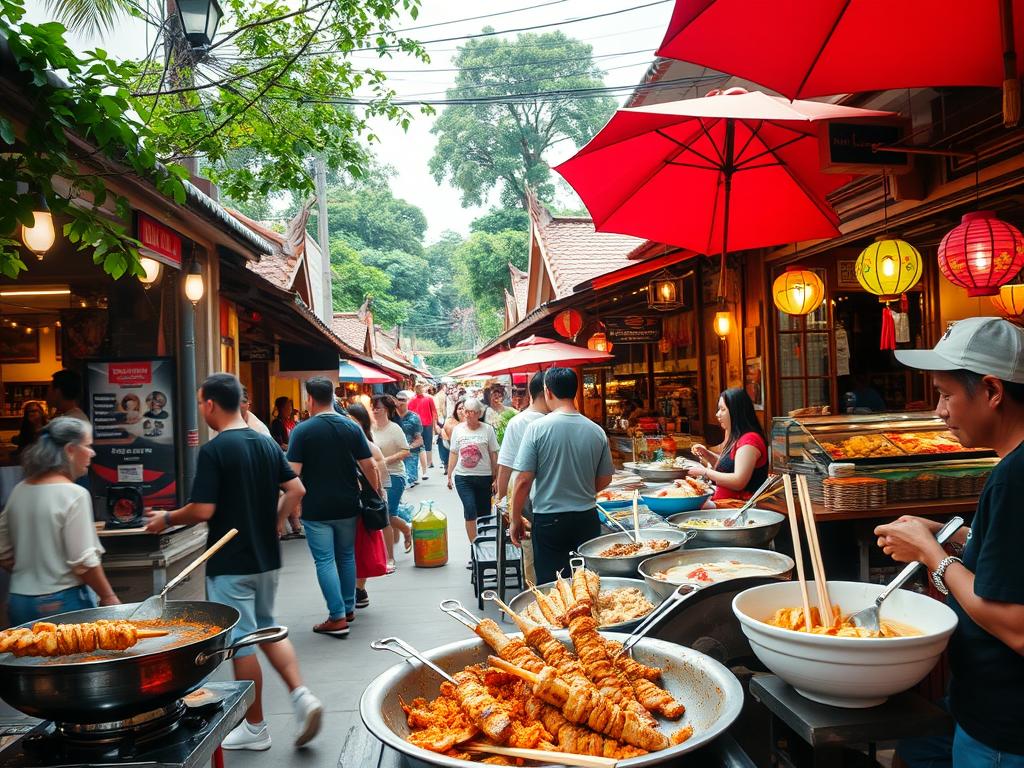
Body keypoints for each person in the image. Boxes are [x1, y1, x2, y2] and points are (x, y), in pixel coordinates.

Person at [873, 317, 1024, 768]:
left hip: (1003, 725)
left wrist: (931, 554)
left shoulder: (1014, 477)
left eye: (946, 395)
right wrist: (953, 535)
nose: (939, 411)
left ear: (993, 392)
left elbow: (1017, 626)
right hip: (976, 704)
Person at [143, 373, 321, 751]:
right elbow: (296, 490)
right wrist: (275, 521)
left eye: (200, 403)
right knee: (268, 628)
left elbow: (204, 509)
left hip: (230, 561)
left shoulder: (215, 450)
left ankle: (255, 727)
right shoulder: (266, 444)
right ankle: (302, 695)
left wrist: (166, 519)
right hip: (266, 558)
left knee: (243, 642)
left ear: (210, 404)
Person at [0, 418, 119, 625]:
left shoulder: (19, 491)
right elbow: (84, 562)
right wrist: (109, 597)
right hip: (62, 601)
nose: (92, 453)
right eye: (88, 446)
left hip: (19, 600)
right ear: (70, 450)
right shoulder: (74, 494)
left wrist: (33, 574)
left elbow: (3, 552)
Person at [287, 377, 379, 638]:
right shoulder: (351, 427)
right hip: (348, 503)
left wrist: (289, 506)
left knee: (325, 560)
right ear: (332, 397)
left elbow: (292, 472)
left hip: (316, 506)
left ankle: (337, 616)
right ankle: (348, 608)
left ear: (310, 399)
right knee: (346, 555)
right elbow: (369, 465)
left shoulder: (302, 431)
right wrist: (374, 493)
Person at [510, 368, 613, 583]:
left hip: (549, 522)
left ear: (547, 392)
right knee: (586, 583)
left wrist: (515, 518)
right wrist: (580, 488)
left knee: (553, 586)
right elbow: (605, 479)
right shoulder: (596, 431)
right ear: (575, 391)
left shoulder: (537, 428)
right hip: (587, 519)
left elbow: (523, 481)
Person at [495, 372, 550, 584]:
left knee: (531, 555)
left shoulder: (518, 422)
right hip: (533, 499)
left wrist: (502, 501)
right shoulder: (524, 422)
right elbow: (506, 465)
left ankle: (535, 596)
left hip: (524, 498)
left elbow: (506, 466)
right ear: (548, 393)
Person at [687, 388, 769, 504]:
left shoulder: (749, 440)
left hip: (737, 508)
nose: (717, 414)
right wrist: (707, 454)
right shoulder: (735, 437)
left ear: (736, 412)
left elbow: (738, 481)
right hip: (723, 503)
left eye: (722, 409)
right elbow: (727, 469)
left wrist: (704, 472)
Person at [348, 403, 388, 610]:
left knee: (361, 548)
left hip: (364, 504)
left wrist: (376, 496)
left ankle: (359, 588)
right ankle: (355, 589)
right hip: (349, 503)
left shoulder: (369, 446)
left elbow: (377, 474)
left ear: (362, 423)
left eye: (353, 420)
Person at [446, 398, 498, 547]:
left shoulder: (487, 429)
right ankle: (474, 546)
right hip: (463, 477)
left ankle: (483, 544)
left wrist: (496, 477)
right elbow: (454, 453)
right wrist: (449, 475)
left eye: (472, 412)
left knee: (484, 513)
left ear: (479, 413)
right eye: (466, 411)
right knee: (469, 510)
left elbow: (493, 453)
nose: (468, 415)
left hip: (484, 477)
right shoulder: (458, 429)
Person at [371, 394, 413, 574]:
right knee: (385, 515)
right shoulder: (370, 429)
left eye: (378, 407)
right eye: (373, 407)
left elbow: (406, 451)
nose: (374, 410)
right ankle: (405, 528)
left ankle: (390, 557)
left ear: (386, 409)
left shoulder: (394, 428)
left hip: (395, 475)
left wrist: (385, 460)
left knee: (387, 515)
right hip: (375, 475)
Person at [408, 382, 438, 479]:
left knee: (421, 445)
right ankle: (428, 463)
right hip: (425, 424)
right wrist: (434, 424)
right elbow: (434, 411)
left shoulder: (412, 400)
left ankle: (427, 464)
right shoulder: (428, 398)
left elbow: (409, 413)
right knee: (426, 444)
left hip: (419, 425)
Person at [394, 390, 424, 487]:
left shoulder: (414, 417)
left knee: (408, 479)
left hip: (410, 452)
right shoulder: (391, 417)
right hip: (394, 452)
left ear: (407, 401)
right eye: (398, 400)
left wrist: (408, 448)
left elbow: (419, 439)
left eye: (403, 400)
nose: (400, 402)